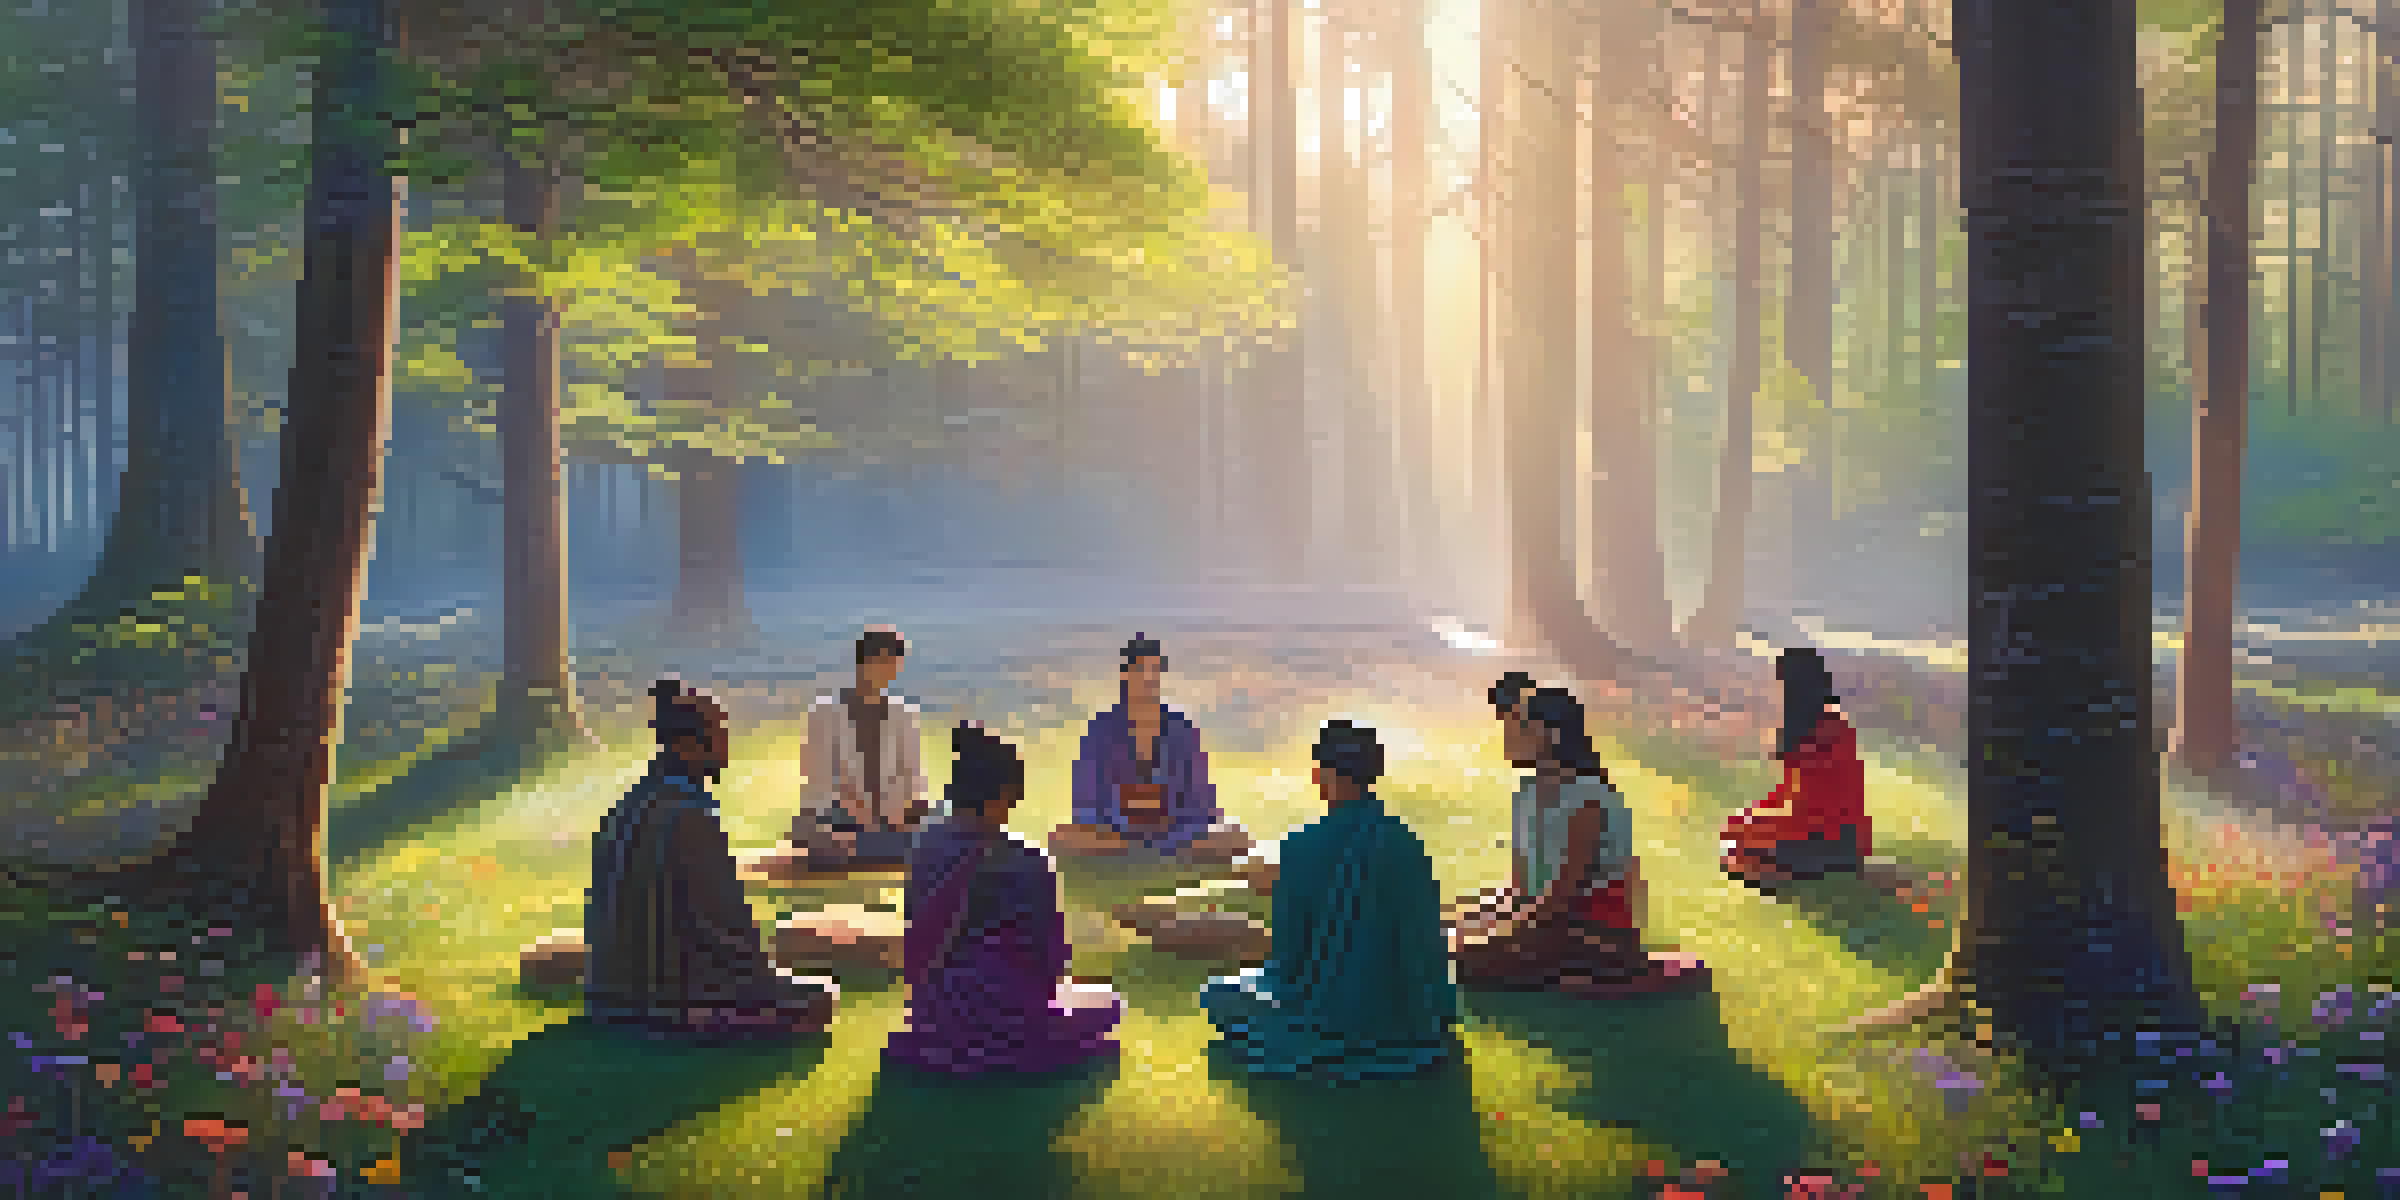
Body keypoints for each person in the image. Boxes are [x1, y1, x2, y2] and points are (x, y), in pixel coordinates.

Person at [1199, 720, 1458, 1081]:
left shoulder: (1300, 846)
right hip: (1410, 1013)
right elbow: (1426, 945)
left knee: (1216, 995)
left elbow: (1287, 962)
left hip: (1327, 1017)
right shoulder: (1407, 842)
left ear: (1321, 775)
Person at [585, 679, 839, 1037]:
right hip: (669, 1000)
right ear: (687, 744)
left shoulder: (627, 806)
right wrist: (770, 983)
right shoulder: (692, 815)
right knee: (821, 997)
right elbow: (727, 934)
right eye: (718, 737)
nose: (726, 750)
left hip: (607, 994)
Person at [884, 723, 1123, 1075]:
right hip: (1014, 1022)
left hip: (933, 1017)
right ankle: (1012, 1052)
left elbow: (916, 949)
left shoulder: (924, 847)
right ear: (1007, 795)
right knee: (1107, 1003)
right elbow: (1052, 966)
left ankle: (954, 1050)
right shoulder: (1028, 860)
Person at [1449, 679, 1707, 995]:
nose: (1508, 735)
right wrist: (1471, 919)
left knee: (1463, 957)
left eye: (1520, 727)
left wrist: (1496, 932)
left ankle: (1598, 972)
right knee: (1447, 929)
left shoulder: (1587, 799)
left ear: (1551, 736)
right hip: (1545, 918)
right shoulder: (1527, 792)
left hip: (1591, 930)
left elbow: (1562, 896)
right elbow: (1518, 886)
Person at [1048, 634, 1253, 865]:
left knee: (1237, 837)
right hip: (1115, 835)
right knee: (1061, 838)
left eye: (1153, 672)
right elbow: (1086, 798)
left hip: (1175, 833)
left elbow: (1201, 797)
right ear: (1125, 675)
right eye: (1140, 671)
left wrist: (1171, 823)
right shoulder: (1100, 729)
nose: (1147, 680)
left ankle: (1153, 858)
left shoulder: (1181, 728)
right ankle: (1153, 858)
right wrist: (1119, 826)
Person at [772, 626, 932, 876]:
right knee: (821, 833)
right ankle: (867, 847)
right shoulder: (824, 712)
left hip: (889, 820)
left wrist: (907, 811)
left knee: (943, 816)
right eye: (883, 662)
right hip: (838, 817)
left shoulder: (904, 714)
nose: (889, 670)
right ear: (863, 662)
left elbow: (913, 776)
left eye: (894, 663)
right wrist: (864, 816)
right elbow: (818, 780)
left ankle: (871, 847)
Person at [1721, 647, 1871, 887]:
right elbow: (1791, 792)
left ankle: (1775, 871)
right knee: (1738, 826)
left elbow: (1806, 807)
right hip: (1839, 836)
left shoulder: (1819, 731)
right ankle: (1770, 865)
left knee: (1738, 840)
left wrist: (1757, 824)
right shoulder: (1826, 723)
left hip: (1824, 838)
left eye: (1781, 682)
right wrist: (1755, 814)